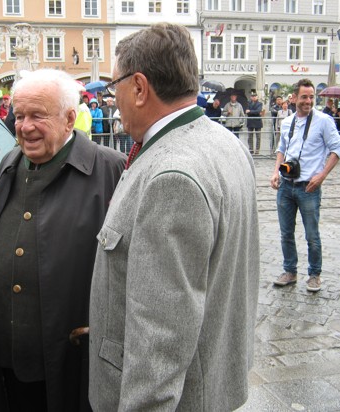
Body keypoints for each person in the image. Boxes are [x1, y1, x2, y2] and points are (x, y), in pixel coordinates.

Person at [89, 23, 260, 411]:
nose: (114, 98)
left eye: (116, 84)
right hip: (213, 379)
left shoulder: (171, 176)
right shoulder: (225, 143)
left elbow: (160, 338)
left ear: (138, 86)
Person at [0, 68, 126, 412]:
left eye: (37, 115)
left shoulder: (110, 169)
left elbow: (132, 262)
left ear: (69, 119)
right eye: (18, 116)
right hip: (7, 346)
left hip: (72, 351)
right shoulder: (9, 161)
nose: (24, 126)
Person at [271, 78, 340, 292]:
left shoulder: (323, 121)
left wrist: (321, 176)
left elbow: (337, 150)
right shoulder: (287, 122)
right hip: (286, 185)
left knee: (312, 235)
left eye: (311, 97)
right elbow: (281, 149)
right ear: (294, 98)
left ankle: (314, 274)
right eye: (304, 97)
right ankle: (290, 271)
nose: (308, 101)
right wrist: (276, 172)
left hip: (309, 188)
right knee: (286, 233)